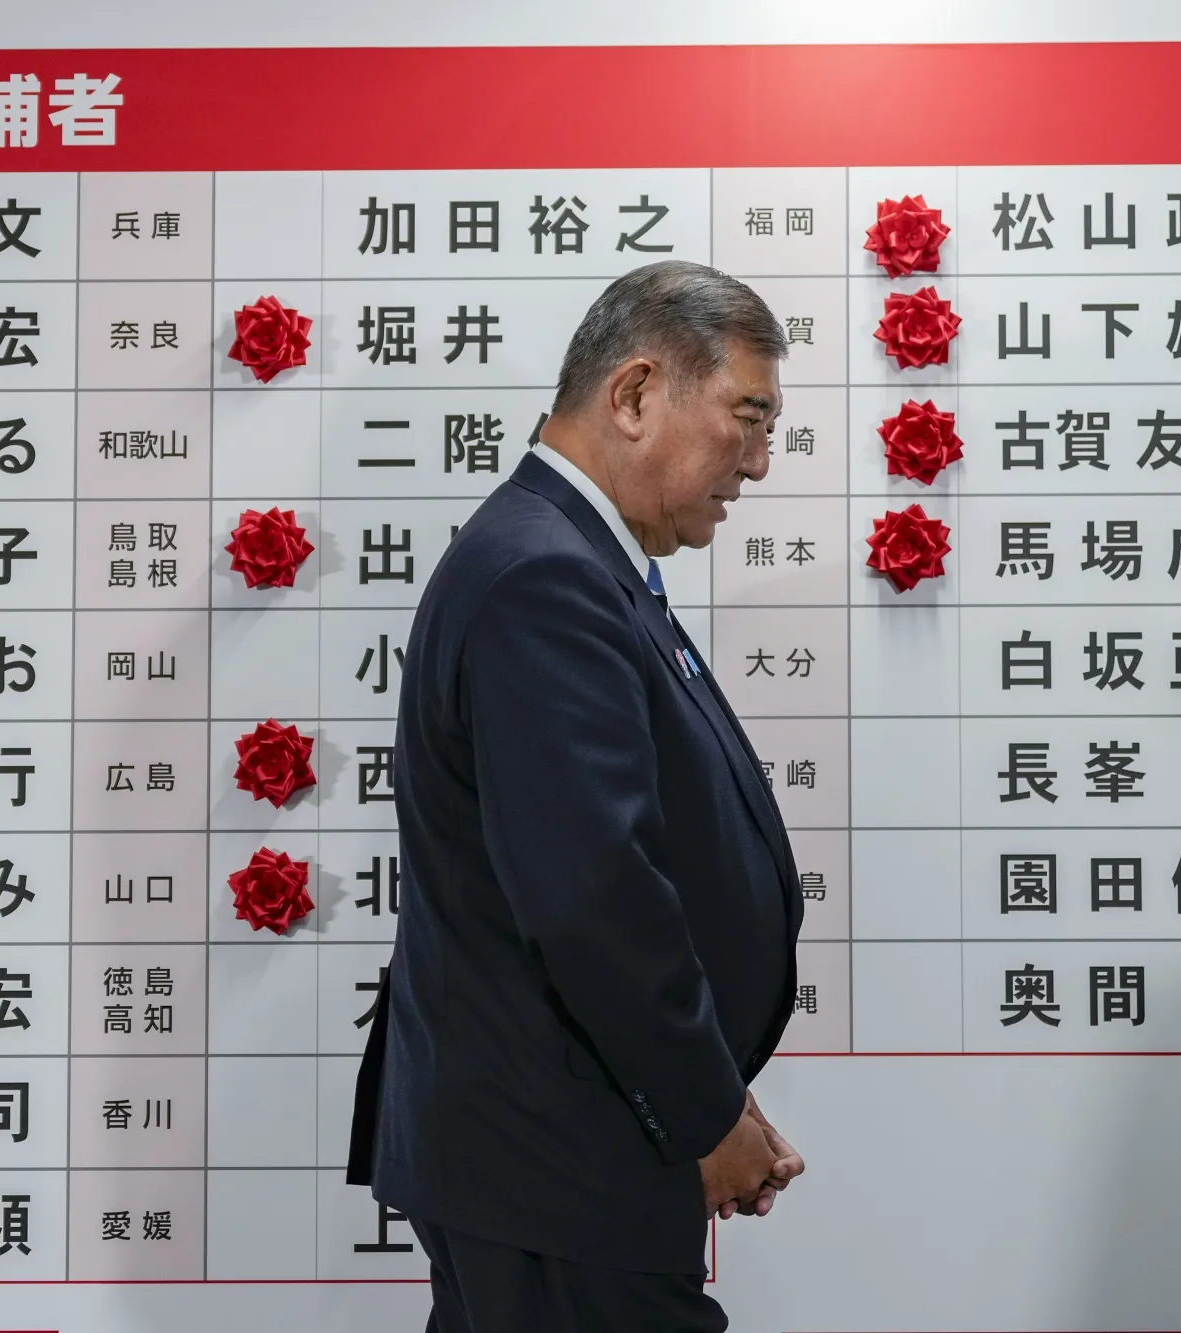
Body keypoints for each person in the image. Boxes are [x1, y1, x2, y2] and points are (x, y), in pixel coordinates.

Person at [346, 261, 808, 1332]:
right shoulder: (542, 576)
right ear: (637, 392)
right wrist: (703, 1114)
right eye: (745, 415)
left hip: (562, 1146)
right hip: (552, 1154)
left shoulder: (569, 559)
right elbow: (593, 895)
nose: (758, 461)